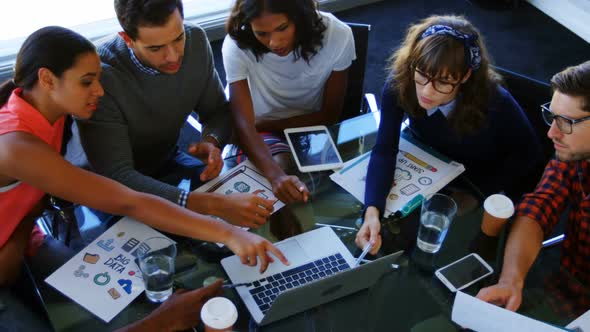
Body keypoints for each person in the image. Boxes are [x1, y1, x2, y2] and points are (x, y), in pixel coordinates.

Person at [0, 26, 288, 287]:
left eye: (98, 79)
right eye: (87, 82)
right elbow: (129, 200)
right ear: (47, 79)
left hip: (23, 229)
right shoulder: (15, 145)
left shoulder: (44, 108)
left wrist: (25, 224)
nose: (99, 91)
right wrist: (228, 233)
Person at [74, 0, 272, 229]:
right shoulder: (100, 74)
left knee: (249, 220)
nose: (173, 56)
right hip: (105, 189)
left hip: (166, 158)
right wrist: (204, 204)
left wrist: (212, 141)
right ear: (127, 39)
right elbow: (117, 174)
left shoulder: (195, 39)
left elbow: (217, 110)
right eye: (155, 48)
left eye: (178, 38)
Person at [355, 15, 542, 254]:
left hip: (478, 179)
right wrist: (372, 210)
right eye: (421, 74)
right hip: (431, 165)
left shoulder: (495, 100)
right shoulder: (401, 82)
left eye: (443, 82)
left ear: (465, 77)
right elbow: (384, 149)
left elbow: (529, 153)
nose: (426, 91)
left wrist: (480, 192)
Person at [477, 61, 590, 311]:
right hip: (563, 284)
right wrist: (511, 281)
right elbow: (541, 204)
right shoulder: (575, 154)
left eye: (565, 122)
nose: (551, 133)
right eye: (552, 116)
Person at [222, 0, 356, 203]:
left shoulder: (338, 35)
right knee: (280, 176)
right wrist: (275, 175)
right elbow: (244, 125)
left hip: (310, 124)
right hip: (259, 130)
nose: (274, 42)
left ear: (300, 17)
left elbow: (331, 114)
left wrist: (265, 125)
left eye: (282, 28)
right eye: (262, 33)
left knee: (321, 190)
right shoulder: (236, 44)